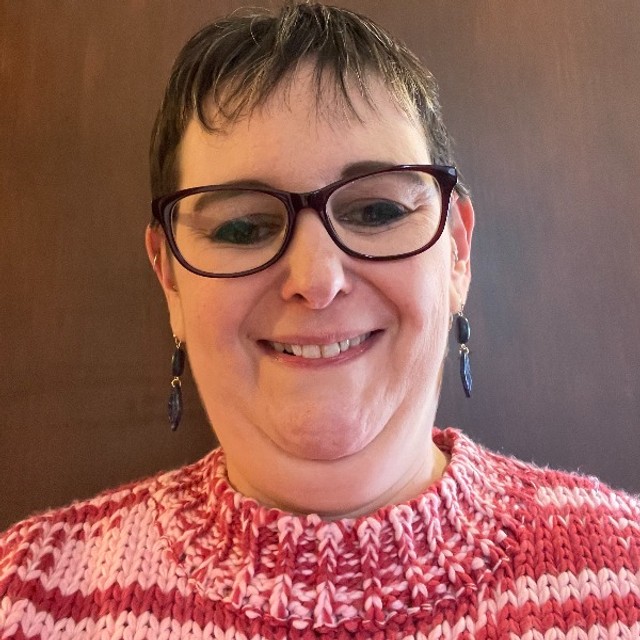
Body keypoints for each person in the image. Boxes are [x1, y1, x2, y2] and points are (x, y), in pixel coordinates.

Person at [1, 3, 638, 638]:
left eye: (377, 212)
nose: (316, 280)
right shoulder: (27, 592)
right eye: (242, 227)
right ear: (170, 278)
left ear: (457, 254)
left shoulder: (626, 571)